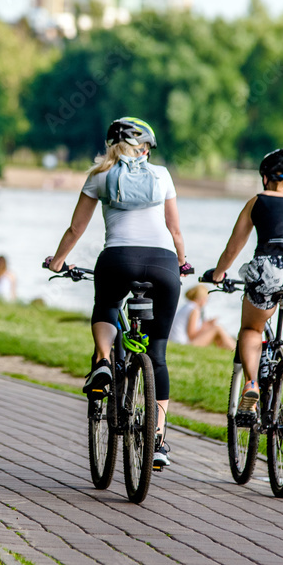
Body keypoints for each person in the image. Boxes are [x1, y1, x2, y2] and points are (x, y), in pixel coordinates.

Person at [46, 117, 191, 469]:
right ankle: (156, 439)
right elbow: (174, 230)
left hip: (118, 260)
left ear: (111, 145)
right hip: (162, 265)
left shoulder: (99, 175)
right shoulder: (162, 176)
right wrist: (182, 263)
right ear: (145, 149)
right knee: (156, 354)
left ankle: (103, 360)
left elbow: (76, 227)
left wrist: (58, 261)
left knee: (108, 305)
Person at [203, 148, 283, 416]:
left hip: (269, 270)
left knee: (250, 329)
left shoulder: (257, 201)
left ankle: (251, 384)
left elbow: (233, 248)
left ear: (265, 178)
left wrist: (218, 274)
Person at [170, 285, 235, 350]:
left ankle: (232, 348)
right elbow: (192, 335)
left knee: (216, 330)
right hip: (184, 344)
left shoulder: (187, 306)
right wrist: (206, 326)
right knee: (217, 328)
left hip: (177, 341)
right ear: (201, 298)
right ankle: (234, 349)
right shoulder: (195, 310)